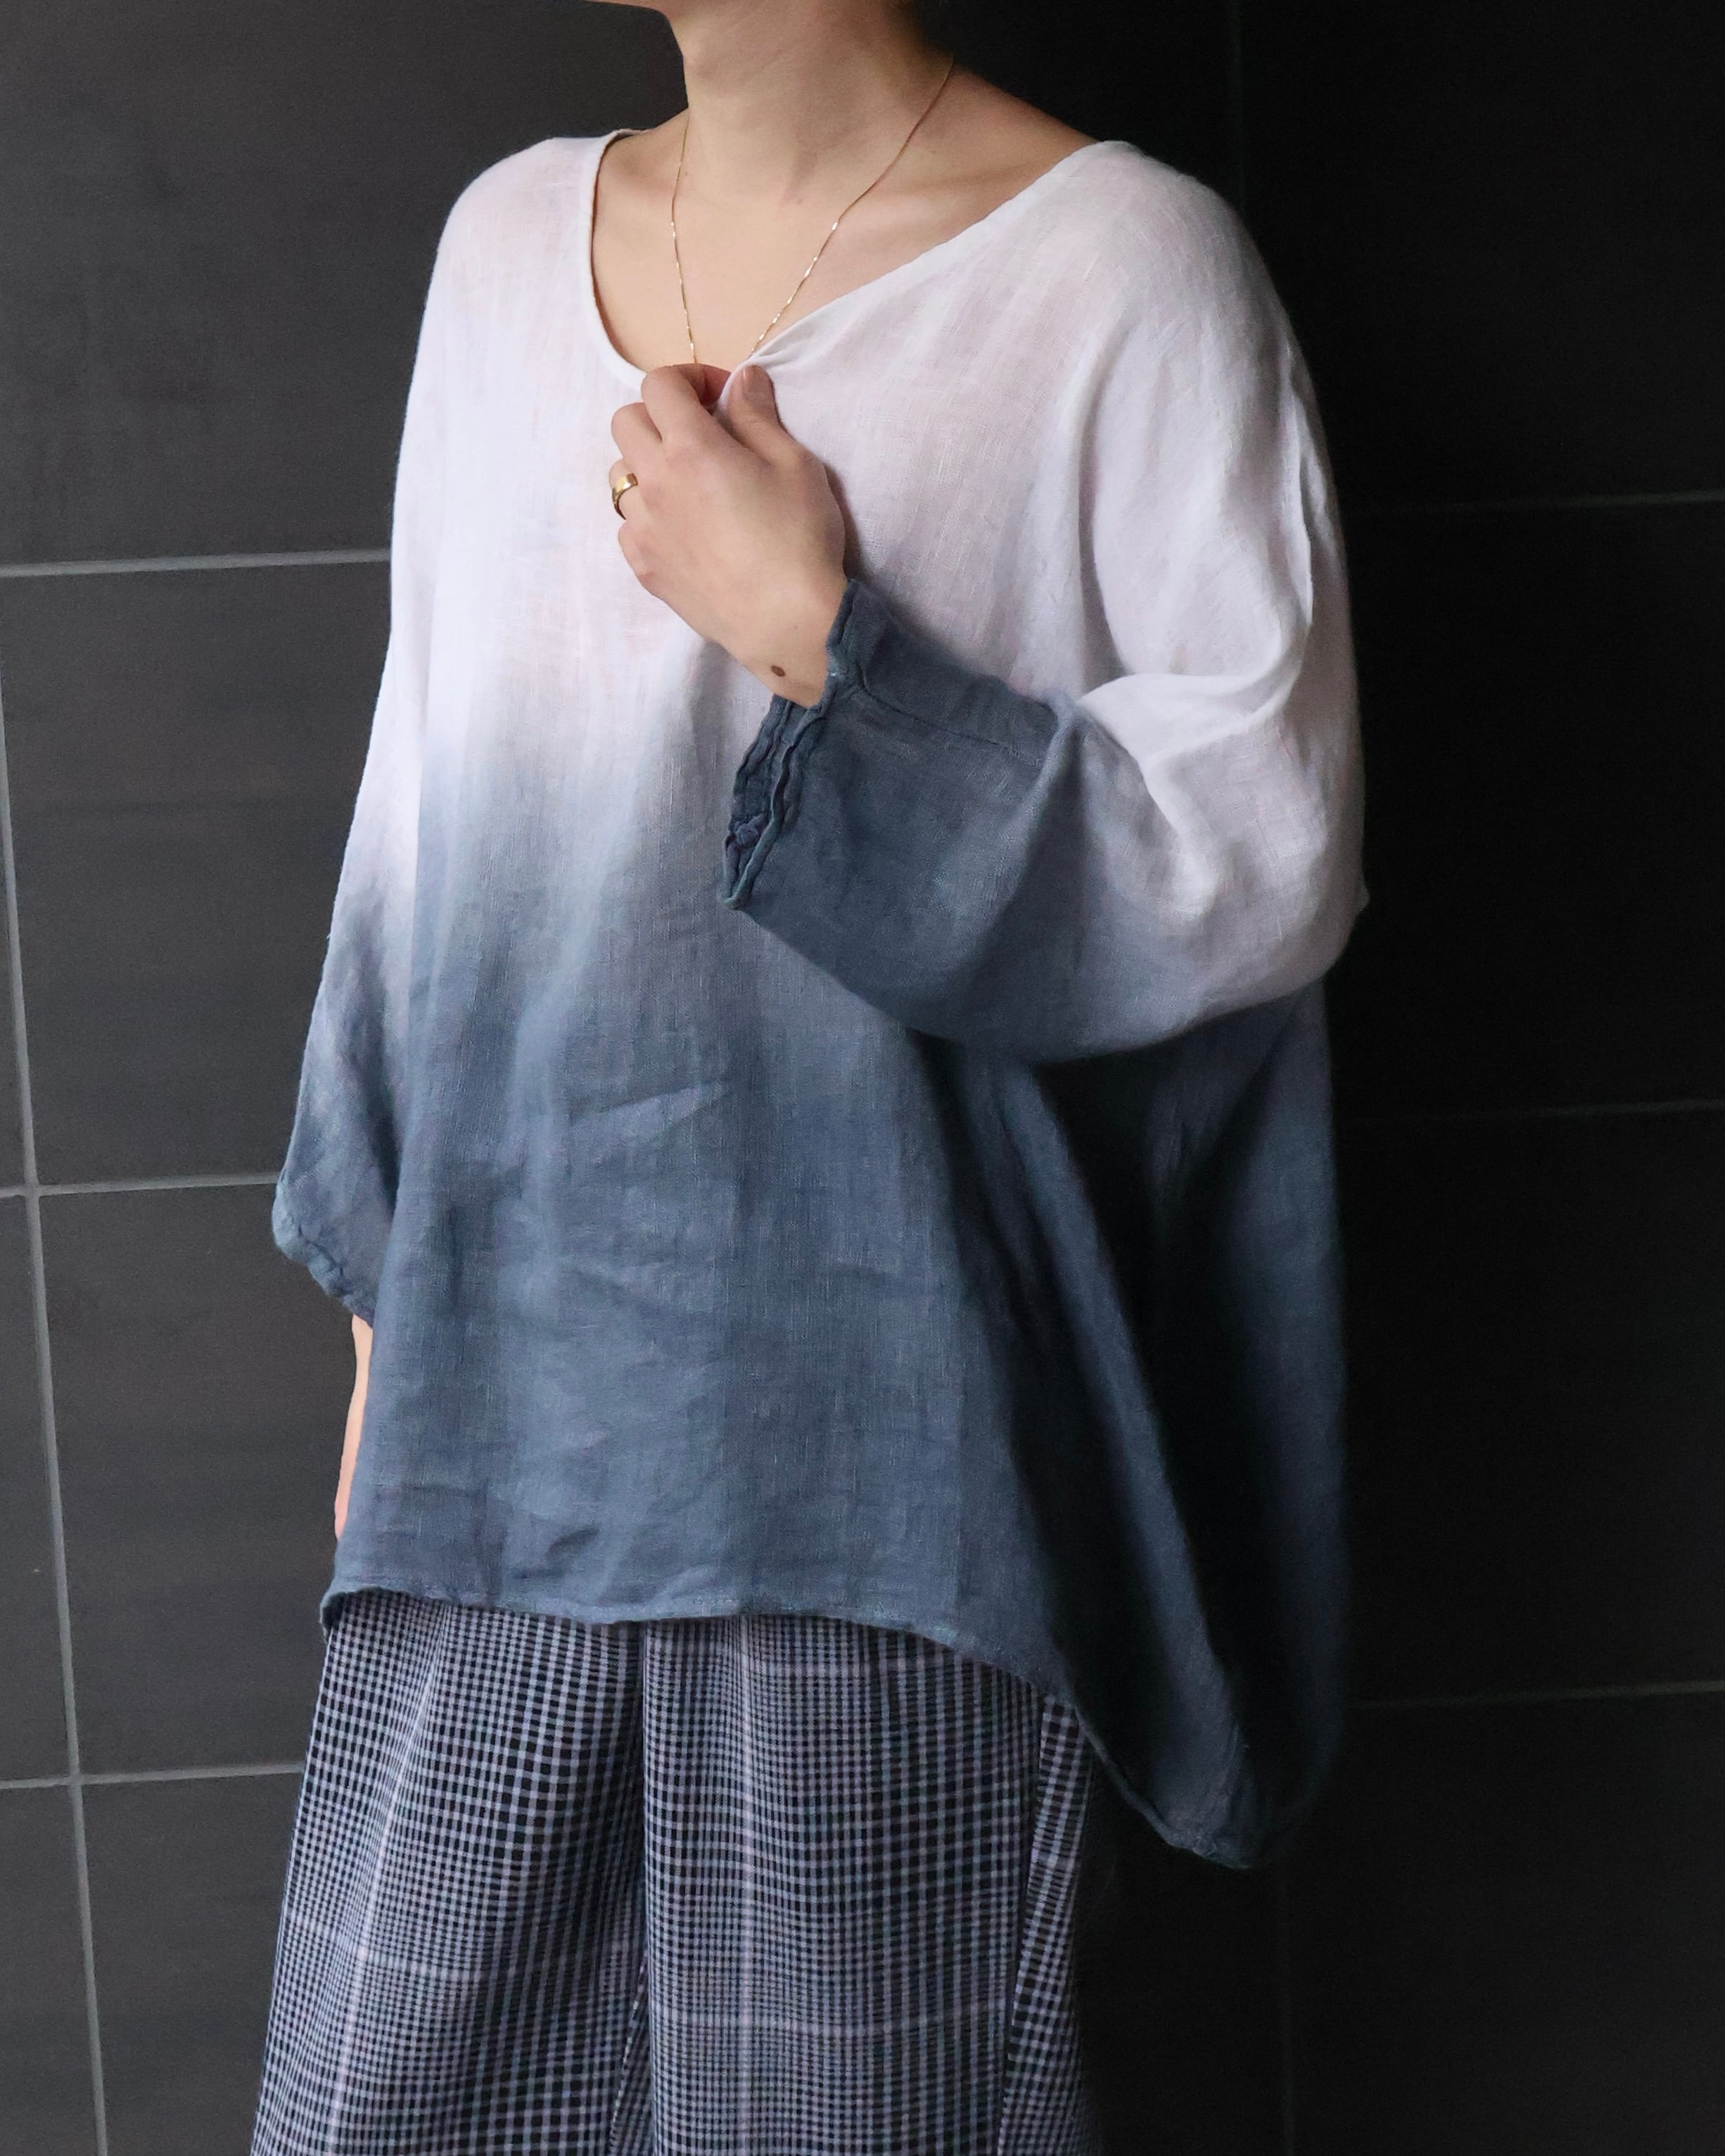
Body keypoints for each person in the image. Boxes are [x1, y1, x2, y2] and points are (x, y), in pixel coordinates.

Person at [250, 0, 1364, 2148]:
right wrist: (387, 1314)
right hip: (509, 1432)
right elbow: (423, 827)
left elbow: (1262, 851)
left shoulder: (1124, 271)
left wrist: (811, 638)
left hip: (891, 1467)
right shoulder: (504, 250)